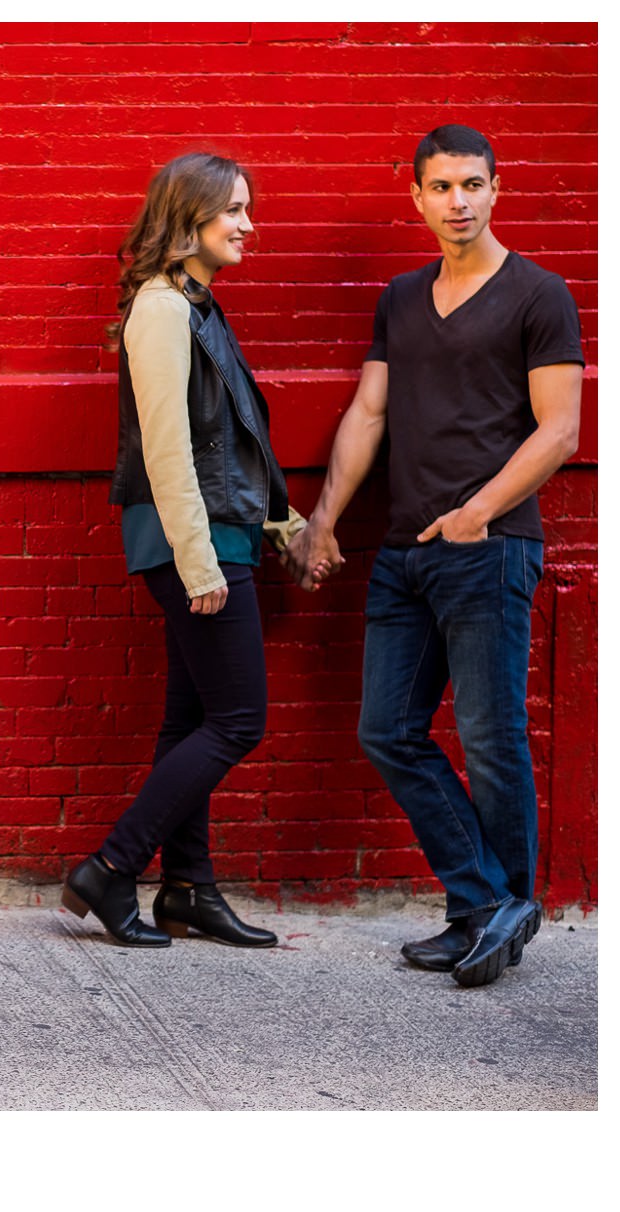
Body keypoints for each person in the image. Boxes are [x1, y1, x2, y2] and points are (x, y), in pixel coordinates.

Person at [287, 125, 583, 988]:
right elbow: (369, 414)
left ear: (498, 189)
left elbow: (560, 428)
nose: (458, 201)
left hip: (488, 549)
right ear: (415, 194)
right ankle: (487, 905)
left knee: (492, 739)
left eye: (472, 185)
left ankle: (491, 914)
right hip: (401, 554)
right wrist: (323, 520)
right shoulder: (403, 296)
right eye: (442, 187)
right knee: (387, 731)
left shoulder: (539, 294)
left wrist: (476, 513)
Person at [61, 152, 310, 949]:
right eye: (232, 210)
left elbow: (233, 440)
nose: (248, 224)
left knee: (191, 717)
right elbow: (167, 448)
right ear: (189, 217)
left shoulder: (199, 305)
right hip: (190, 545)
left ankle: (189, 890)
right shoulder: (163, 310)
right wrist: (201, 564)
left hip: (218, 535)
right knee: (239, 719)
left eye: (247, 209)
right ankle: (110, 868)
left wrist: (282, 523)